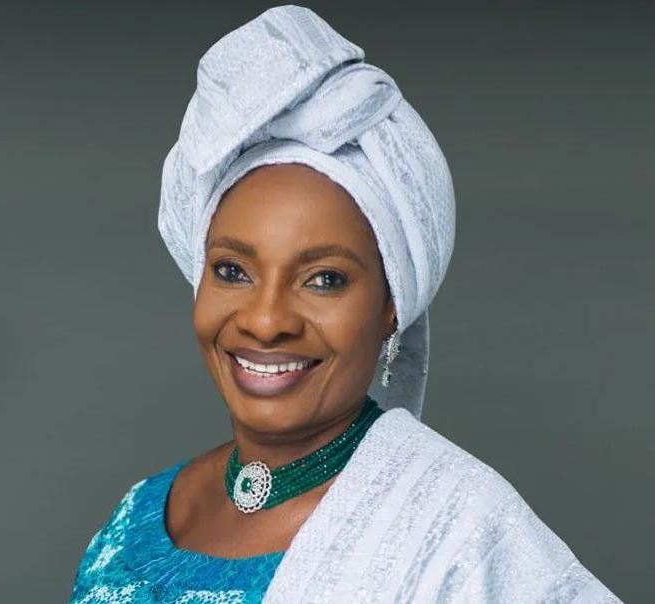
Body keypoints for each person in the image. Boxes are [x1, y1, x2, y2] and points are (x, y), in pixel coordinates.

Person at [69, 5, 621, 603]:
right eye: (232, 271)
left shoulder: (457, 532)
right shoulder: (137, 515)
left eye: (324, 279)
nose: (265, 321)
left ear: (392, 306)